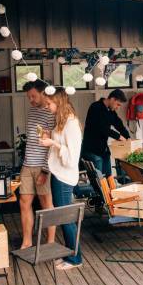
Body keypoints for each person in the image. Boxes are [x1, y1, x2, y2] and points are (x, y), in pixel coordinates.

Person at [39, 88, 83, 270]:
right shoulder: (62, 121)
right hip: (58, 174)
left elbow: (72, 157)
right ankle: (71, 254)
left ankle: (75, 259)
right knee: (63, 217)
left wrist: (53, 143)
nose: (47, 107)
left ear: (58, 101)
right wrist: (50, 136)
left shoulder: (71, 123)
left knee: (66, 218)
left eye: (49, 103)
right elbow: (62, 144)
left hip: (65, 177)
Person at [19, 80, 55, 249]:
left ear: (43, 93)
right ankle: (27, 242)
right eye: (28, 97)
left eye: (33, 96)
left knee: (46, 204)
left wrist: (45, 171)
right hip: (28, 164)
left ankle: (50, 242)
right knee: (24, 202)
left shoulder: (51, 112)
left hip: (42, 166)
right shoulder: (32, 110)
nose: (31, 100)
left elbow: (52, 145)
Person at [81, 89, 130, 177]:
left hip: (104, 151)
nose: (118, 107)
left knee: (109, 178)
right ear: (112, 99)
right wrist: (119, 136)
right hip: (92, 150)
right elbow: (102, 128)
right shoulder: (95, 107)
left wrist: (128, 137)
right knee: (99, 181)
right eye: (118, 104)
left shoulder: (110, 111)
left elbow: (119, 124)